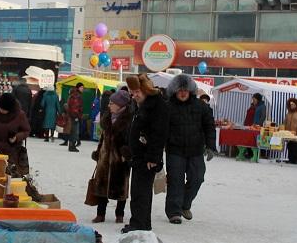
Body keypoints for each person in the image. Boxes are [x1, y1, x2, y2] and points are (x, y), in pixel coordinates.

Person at [164, 74, 216, 224]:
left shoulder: (201, 107)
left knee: (197, 178)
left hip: (195, 150)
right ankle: (174, 212)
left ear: (190, 91)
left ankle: (185, 204)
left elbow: (209, 126)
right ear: (174, 91)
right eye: (180, 90)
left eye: (185, 90)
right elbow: (161, 129)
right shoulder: (168, 107)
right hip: (175, 150)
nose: (182, 93)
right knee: (175, 182)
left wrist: (211, 146)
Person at [121, 74, 169, 234]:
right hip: (140, 155)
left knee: (140, 191)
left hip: (147, 157)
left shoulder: (157, 106)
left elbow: (159, 133)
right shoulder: (144, 104)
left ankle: (139, 223)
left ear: (145, 90)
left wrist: (153, 157)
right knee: (139, 191)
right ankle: (141, 222)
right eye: (132, 92)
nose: (134, 95)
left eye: (136, 92)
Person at [90, 90, 133, 224]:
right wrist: (98, 152)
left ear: (120, 105)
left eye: (112, 103)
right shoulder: (107, 117)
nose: (109, 105)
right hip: (105, 157)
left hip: (120, 160)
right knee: (101, 186)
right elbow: (102, 138)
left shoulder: (129, 120)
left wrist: (126, 154)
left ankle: (119, 214)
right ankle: (100, 214)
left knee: (120, 188)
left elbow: (131, 140)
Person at [237, 93, 266, 162]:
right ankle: (249, 153)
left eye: (254, 99)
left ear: (258, 99)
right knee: (248, 139)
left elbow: (263, 116)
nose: (253, 100)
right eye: (253, 99)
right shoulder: (253, 106)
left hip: (257, 127)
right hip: (250, 125)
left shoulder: (262, 106)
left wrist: (258, 124)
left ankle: (255, 154)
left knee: (255, 140)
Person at [67, 83, 84, 152]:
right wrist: (76, 116)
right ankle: (72, 146)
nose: (83, 89)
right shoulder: (76, 95)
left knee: (73, 131)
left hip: (73, 115)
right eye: (82, 87)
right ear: (78, 88)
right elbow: (75, 106)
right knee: (74, 131)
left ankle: (71, 145)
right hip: (75, 116)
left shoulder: (74, 94)